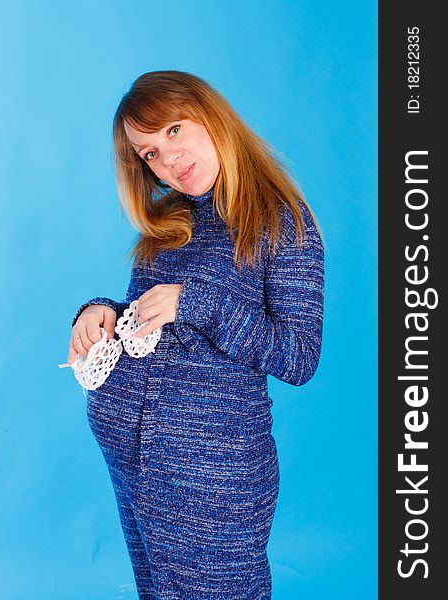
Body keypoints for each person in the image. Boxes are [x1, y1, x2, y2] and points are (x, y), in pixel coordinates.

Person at [67, 70, 324, 599]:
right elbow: (154, 319)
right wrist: (98, 312)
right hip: (133, 459)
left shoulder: (281, 222)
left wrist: (198, 302)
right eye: (149, 153)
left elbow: (299, 357)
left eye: (175, 131)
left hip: (211, 474)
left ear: (210, 115)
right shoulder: (169, 221)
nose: (167, 159)